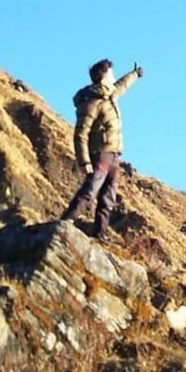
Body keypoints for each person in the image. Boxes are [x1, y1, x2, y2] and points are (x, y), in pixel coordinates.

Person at [62, 59, 143, 241]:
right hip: (100, 154)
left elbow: (121, 86)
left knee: (108, 197)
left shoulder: (109, 95)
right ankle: (66, 221)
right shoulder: (92, 102)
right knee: (91, 190)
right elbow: (81, 133)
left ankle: (100, 233)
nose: (113, 76)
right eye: (111, 73)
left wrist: (134, 75)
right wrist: (84, 161)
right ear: (104, 76)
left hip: (114, 155)